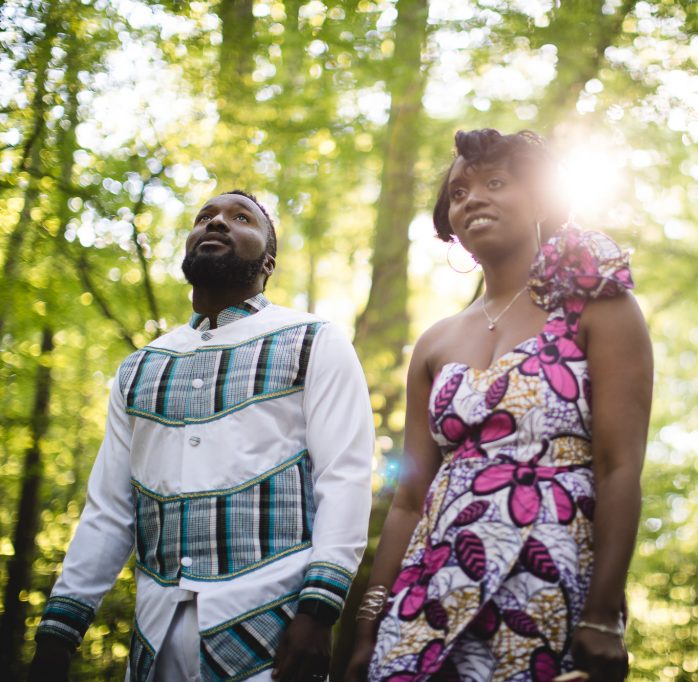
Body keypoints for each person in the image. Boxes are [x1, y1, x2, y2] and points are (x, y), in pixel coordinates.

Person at [29, 190, 376, 682]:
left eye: (240, 218)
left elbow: (345, 477)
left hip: (273, 636)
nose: (216, 223)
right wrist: (57, 634)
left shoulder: (313, 340)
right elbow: (109, 509)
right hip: (154, 641)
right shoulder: (141, 367)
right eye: (205, 217)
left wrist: (319, 611)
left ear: (268, 261)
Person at [344, 130, 653, 682]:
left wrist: (604, 616)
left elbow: (620, 466)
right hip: (429, 585)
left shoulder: (600, 307)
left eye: (495, 182)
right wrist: (368, 624)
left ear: (539, 198)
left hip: (547, 579)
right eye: (458, 192)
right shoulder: (435, 344)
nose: (472, 199)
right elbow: (408, 500)